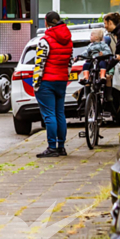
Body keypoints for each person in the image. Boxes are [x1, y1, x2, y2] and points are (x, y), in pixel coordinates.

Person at [33, 11, 73, 158]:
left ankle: (51, 147)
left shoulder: (45, 40)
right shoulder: (69, 40)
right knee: (60, 113)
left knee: (49, 115)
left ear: (46, 22)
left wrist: (36, 83)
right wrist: (65, 79)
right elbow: (70, 62)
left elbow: (39, 64)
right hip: (61, 81)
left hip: (47, 82)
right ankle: (61, 146)